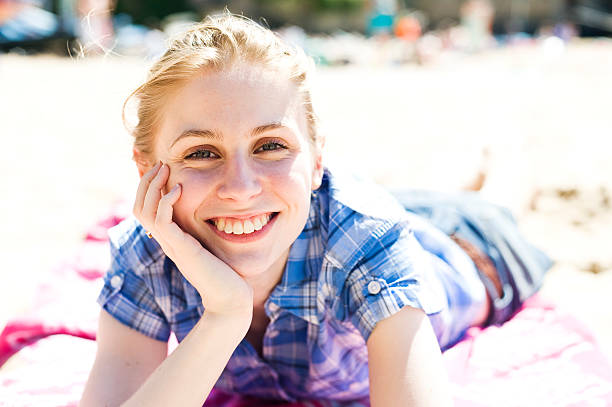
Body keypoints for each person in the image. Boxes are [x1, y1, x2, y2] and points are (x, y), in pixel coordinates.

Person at [79, 13, 550, 407]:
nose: (240, 187)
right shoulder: (146, 255)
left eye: (270, 145)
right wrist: (225, 314)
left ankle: (504, 164)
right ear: (146, 168)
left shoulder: (370, 242)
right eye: (201, 153)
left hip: (471, 250)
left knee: (495, 203)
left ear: (317, 156)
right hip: (312, 214)